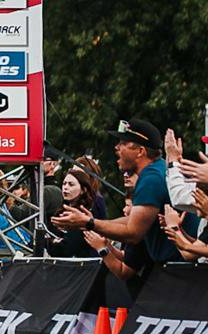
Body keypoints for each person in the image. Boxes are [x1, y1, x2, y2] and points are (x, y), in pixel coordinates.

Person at [53, 118, 178, 281]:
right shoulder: (156, 171)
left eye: (123, 143)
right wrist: (89, 221)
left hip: (177, 270)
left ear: (140, 151)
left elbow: (133, 233)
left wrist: (88, 223)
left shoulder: (151, 179)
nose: (116, 148)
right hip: (176, 268)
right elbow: (132, 220)